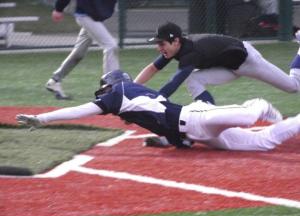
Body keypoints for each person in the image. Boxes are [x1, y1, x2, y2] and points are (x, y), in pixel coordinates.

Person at [16, 70, 300, 151]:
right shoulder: (131, 100)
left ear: (113, 85)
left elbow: (79, 111)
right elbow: (160, 121)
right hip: (194, 129)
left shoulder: (120, 93)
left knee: (250, 115)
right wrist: (165, 141)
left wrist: (42, 118)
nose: (103, 92)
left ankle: (258, 103)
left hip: (195, 117)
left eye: (105, 87)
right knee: (263, 142)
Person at [134, 22, 300, 105]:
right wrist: (130, 87)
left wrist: (154, 101)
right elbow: (153, 68)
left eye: (161, 43)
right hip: (226, 66)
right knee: (193, 79)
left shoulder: (190, 52)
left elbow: (173, 83)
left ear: (176, 41)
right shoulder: (176, 47)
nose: (158, 47)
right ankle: (208, 118)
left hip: (246, 61)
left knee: (293, 86)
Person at [45, 0, 120, 100]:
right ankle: (109, 87)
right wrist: (59, 8)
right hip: (86, 15)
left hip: (95, 16)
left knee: (79, 53)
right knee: (111, 46)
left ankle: (54, 81)